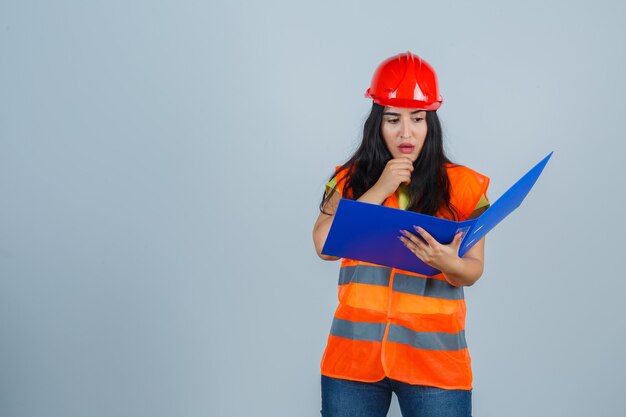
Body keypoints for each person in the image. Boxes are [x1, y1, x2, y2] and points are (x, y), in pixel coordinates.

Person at [312, 52, 490, 417]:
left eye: (417, 118)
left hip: (434, 361)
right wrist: (379, 188)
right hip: (353, 361)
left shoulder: (464, 187)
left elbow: (473, 271)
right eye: (393, 119)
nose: (406, 132)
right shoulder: (349, 178)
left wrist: (448, 263)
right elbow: (323, 244)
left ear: (431, 123)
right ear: (377, 122)